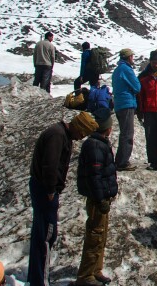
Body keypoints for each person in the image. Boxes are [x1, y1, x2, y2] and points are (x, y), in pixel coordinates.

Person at [27, 111, 98, 286]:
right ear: (78, 127)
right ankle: (40, 281)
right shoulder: (57, 136)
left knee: (41, 234)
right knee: (46, 236)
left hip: (43, 188)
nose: (82, 137)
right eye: (83, 133)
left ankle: (35, 277)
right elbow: (50, 165)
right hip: (45, 190)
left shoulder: (59, 133)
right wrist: (51, 189)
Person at [73, 108, 118, 286]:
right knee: (95, 236)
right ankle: (85, 276)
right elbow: (95, 175)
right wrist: (100, 198)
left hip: (103, 197)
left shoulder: (100, 143)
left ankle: (96, 269)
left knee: (101, 235)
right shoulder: (95, 146)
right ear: (106, 128)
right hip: (98, 199)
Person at [112, 48, 140, 171]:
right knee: (127, 133)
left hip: (119, 103)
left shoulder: (117, 70)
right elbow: (137, 86)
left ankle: (120, 159)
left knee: (124, 132)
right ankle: (122, 162)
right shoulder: (126, 70)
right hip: (127, 103)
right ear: (129, 57)